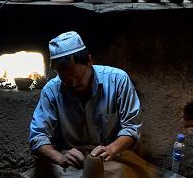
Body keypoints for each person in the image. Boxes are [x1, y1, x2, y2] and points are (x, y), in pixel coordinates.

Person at [29, 30, 143, 170]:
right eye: (66, 80)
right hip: (72, 163)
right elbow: (37, 137)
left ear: (89, 61)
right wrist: (60, 158)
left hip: (112, 158)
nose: (74, 84)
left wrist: (111, 149)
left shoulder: (118, 80)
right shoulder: (51, 91)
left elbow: (132, 127)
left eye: (78, 77)